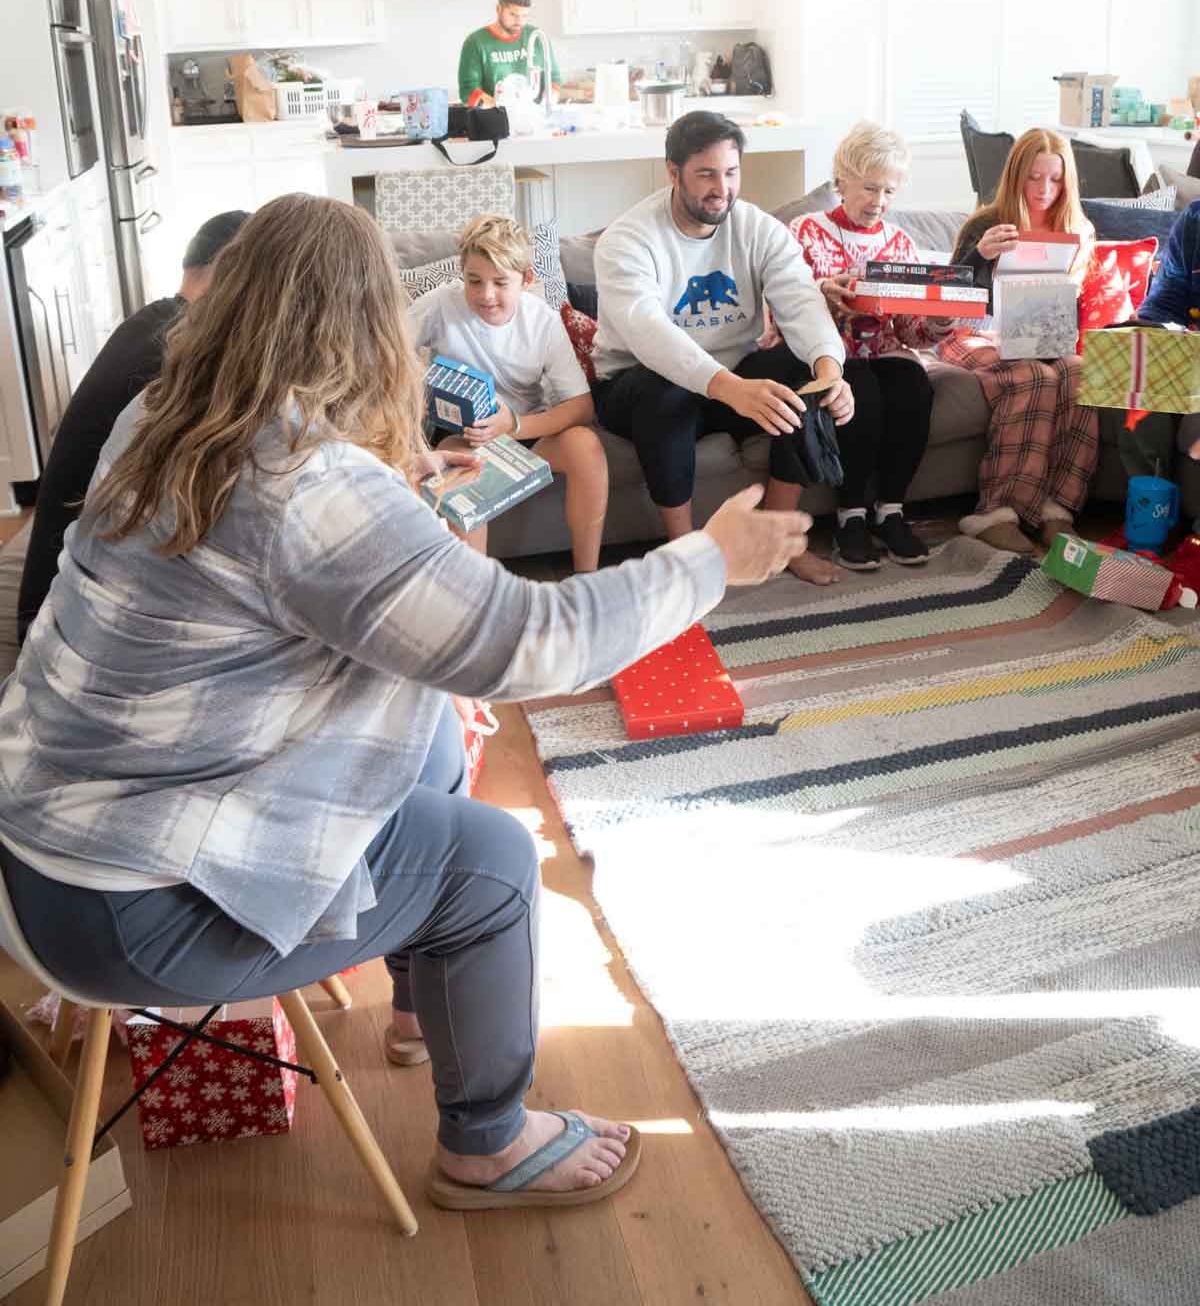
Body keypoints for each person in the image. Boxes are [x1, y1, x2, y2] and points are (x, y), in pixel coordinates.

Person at [0, 193, 813, 1210]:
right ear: (366, 325)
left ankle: (430, 1003)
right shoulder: (307, 485)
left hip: (35, 840)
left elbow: (274, 557)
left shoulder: (162, 412)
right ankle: (488, 1140)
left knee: (424, 723)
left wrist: (412, 480)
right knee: (500, 862)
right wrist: (708, 560)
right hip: (130, 907)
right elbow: (530, 642)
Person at [591, 109, 855, 587]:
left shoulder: (757, 228)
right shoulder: (627, 239)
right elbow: (650, 334)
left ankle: (776, 543)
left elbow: (799, 298)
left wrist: (830, 367)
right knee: (664, 391)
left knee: (801, 374)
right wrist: (728, 387)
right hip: (637, 385)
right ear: (673, 173)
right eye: (706, 174)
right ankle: (685, 557)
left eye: (731, 173)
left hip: (731, 380)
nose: (721, 187)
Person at [16, 209, 250, 642]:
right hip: (66, 611)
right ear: (232, 271)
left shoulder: (155, 319)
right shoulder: (177, 353)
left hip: (65, 583)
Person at [407, 213, 609, 572]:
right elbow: (388, 353)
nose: (486, 295)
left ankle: (586, 578)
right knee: (460, 472)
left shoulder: (542, 321)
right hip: (462, 437)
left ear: (527, 279)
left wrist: (513, 425)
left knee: (586, 446)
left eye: (500, 282)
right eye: (474, 281)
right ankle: (471, 596)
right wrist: (414, 396)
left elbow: (582, 407)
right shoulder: (442, 305)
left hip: (523, 429)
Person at [787, 122, 937, 569]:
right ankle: (850, 516)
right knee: (861, 389)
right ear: (841, 182)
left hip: (885, 349)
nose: (879, 202)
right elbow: (785, 303)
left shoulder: (900, 243)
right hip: (828, 353)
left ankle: (891, 510)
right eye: (870, 188)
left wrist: (938, 318)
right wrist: (826, 298)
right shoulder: (807, 230)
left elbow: (913, 333)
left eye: (889, 192)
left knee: (914, 384)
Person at [944, 129, 1099, 554]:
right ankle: (996, 511)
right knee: (1033, 378)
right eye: (1034, 178)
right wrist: (981, 258)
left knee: (1079, 373)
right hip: (973, 332)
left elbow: (1069, 306)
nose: (1045, 190)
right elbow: (951, 302)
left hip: (1040, 336)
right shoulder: (986, 223)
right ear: (1016, 177)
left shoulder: (1078, 230)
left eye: (1055, 179)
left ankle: (1057, 510)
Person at [1116, 197, 1200, 501]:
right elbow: (1167, 297)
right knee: (1141, 357)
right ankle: (1152, 510)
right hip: (1191, 348)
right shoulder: (1195, 218)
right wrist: (1152, 331)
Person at [457, 0, 560, 110]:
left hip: (533, 118)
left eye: (524, 15)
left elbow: (554, 78)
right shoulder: (475, 42)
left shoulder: (537, 38)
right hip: (495, 120)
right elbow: (468, 91)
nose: (519, 21)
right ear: (498, 9)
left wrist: (548, 100)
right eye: (513, 15)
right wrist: (502, 109)